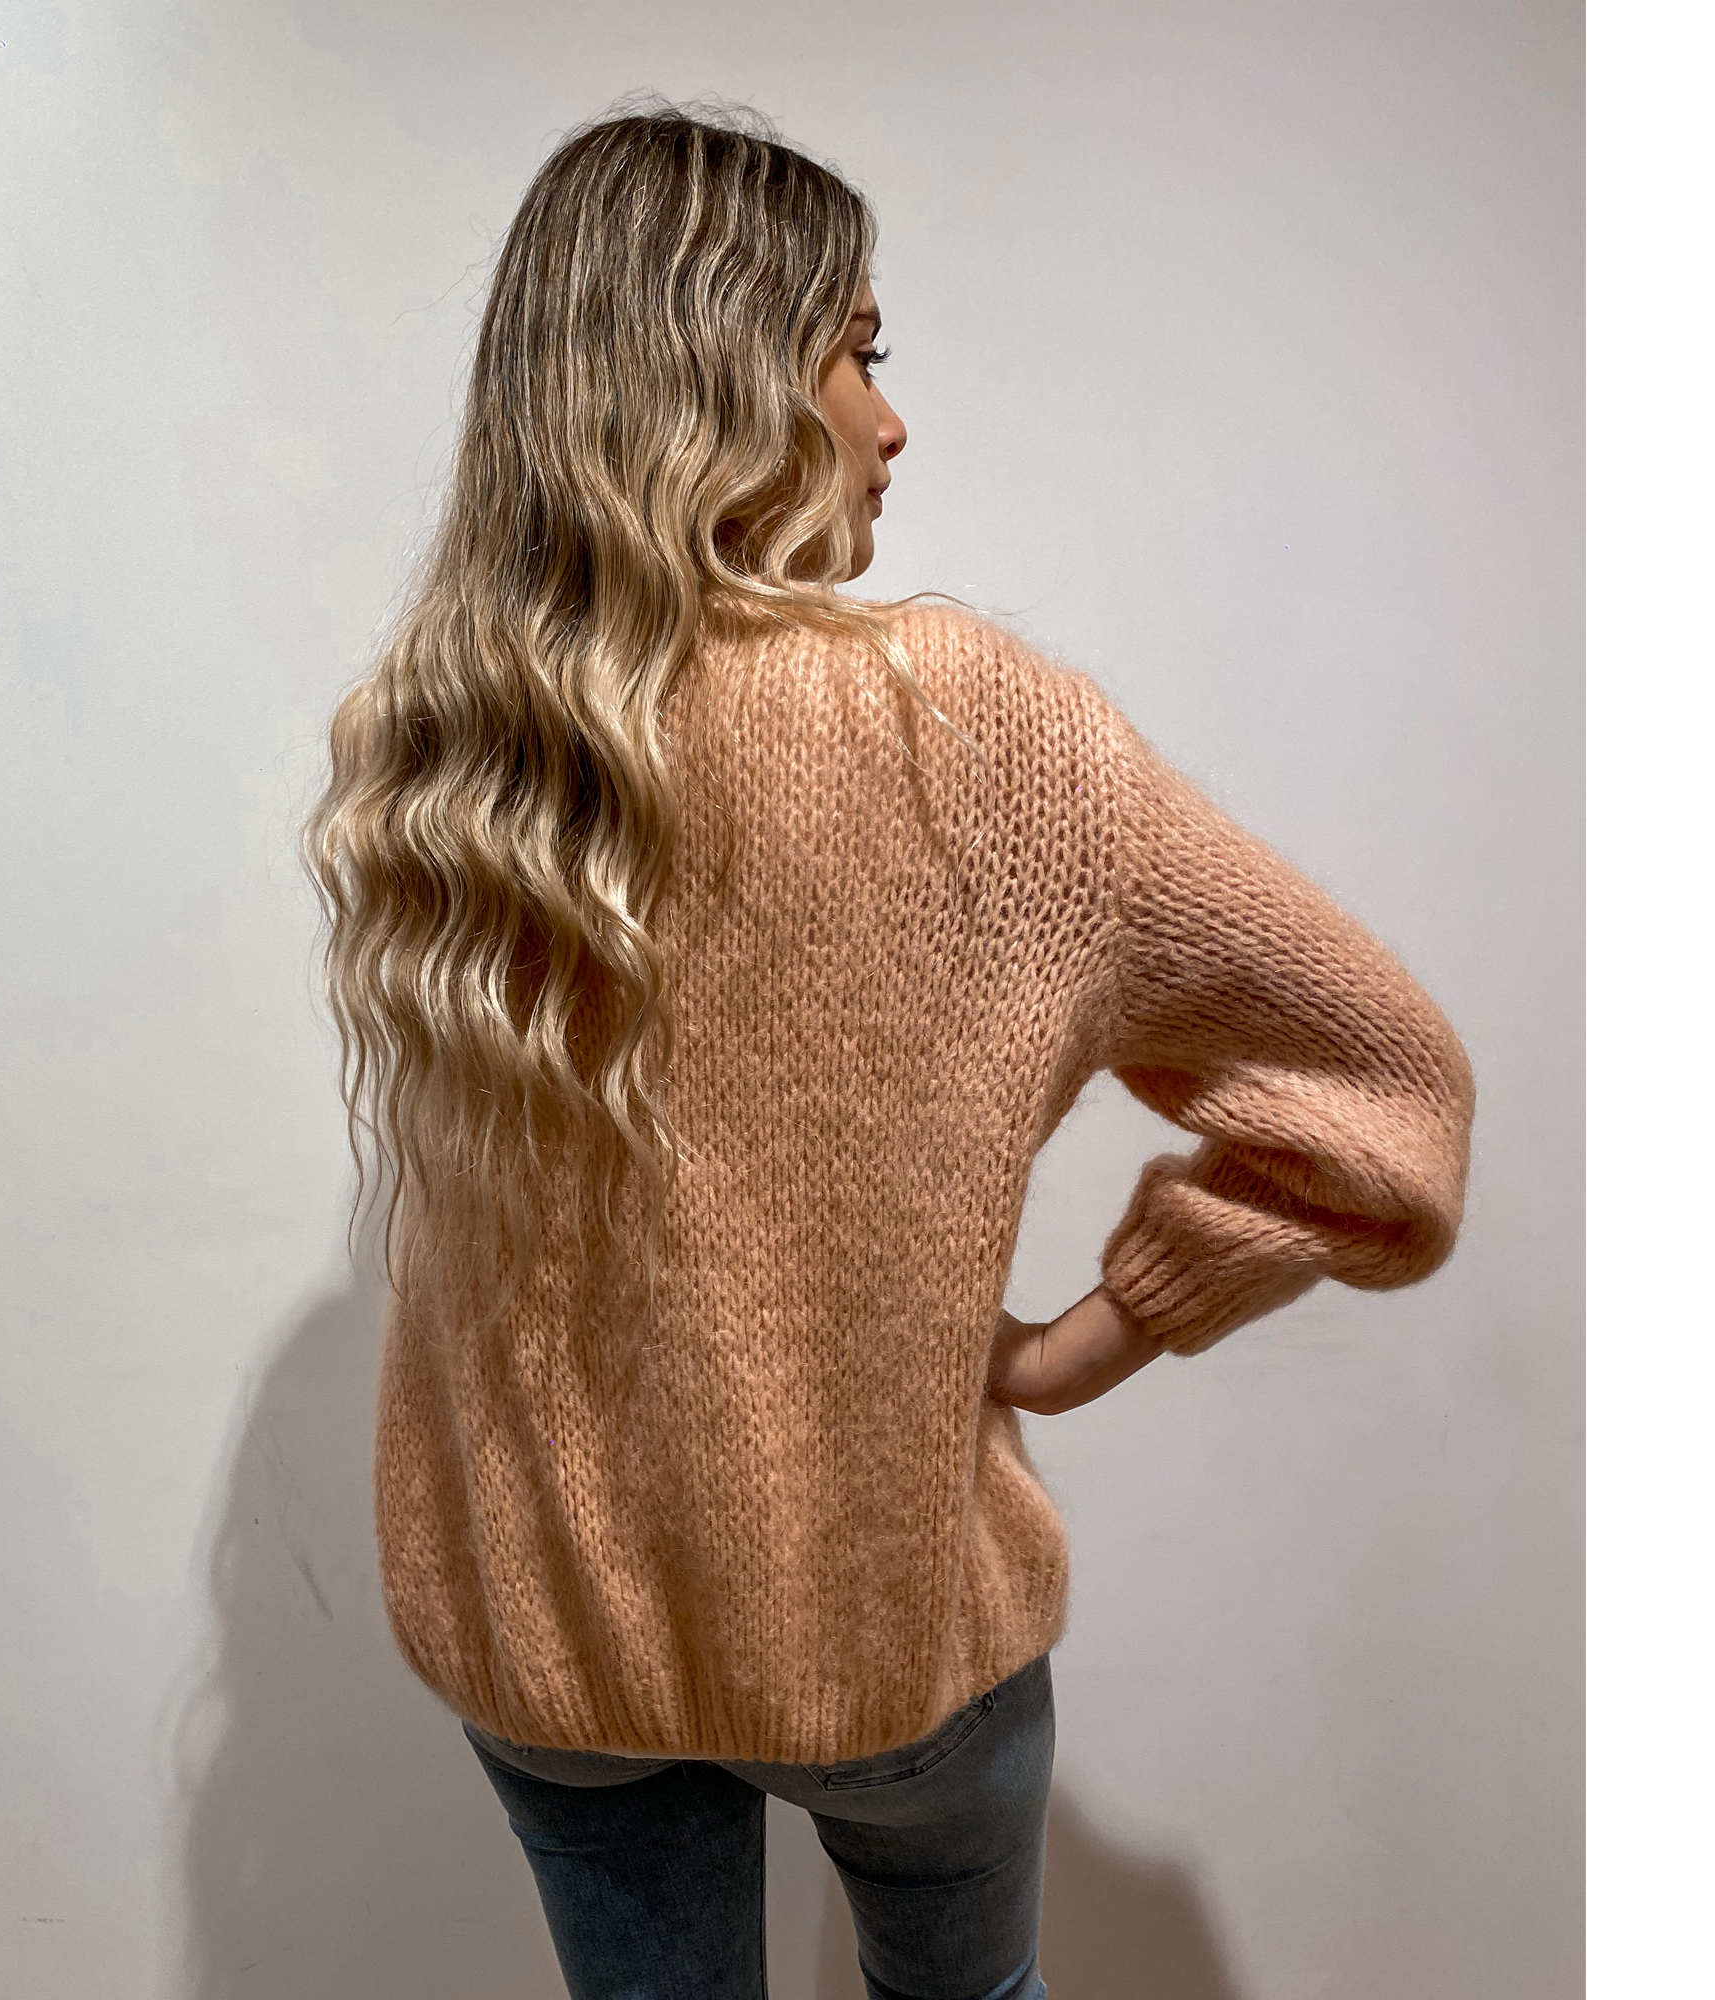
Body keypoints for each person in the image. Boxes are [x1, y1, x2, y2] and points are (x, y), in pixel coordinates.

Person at [302, 103, 1474, 2000]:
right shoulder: (975, 739)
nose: (892, 419)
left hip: (543, 1637)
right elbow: (1392, 1092)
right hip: (882, 1632)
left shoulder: (443, 745)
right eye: (856, 352)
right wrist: (1095, 1341)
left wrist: (1108, 1320)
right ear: (727, 379)